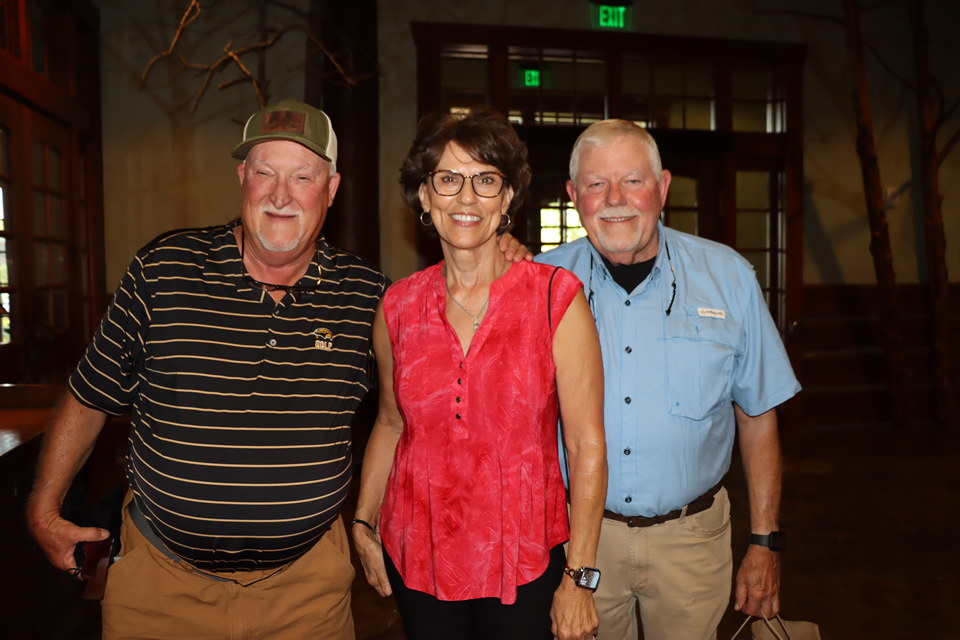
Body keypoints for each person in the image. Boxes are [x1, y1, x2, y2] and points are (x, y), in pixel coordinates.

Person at [26, 99, 528, 639]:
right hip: (159, 585)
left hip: (307, 595)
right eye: (265, 172)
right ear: (243, 178)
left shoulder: (368, 297)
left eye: (303, 176)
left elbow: (419, 410)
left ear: (332, 190)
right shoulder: (163, 271)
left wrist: (496, 255)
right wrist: (44, 507)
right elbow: (90, 394)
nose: (281, 194)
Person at [536, 119, 801, 640]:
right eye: (595, 184)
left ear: (662, 187)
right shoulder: (538, 284)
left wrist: (765, 543)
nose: (615, 199)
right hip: (579, 544)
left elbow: (758, 417)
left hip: (693, 541)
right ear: (572, 195)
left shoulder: (728, 278)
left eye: (633, 180)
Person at [351, 109, 608, 640]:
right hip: (417, 553)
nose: (466, 198)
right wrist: (363, 520)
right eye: (448, 179)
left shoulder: (556, 300)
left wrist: (579, 579)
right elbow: (390, 424)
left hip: (524, 557)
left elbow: (586, 446)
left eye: (485, 180)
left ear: (508, 197)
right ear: (425, 196)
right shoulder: (396, 306)